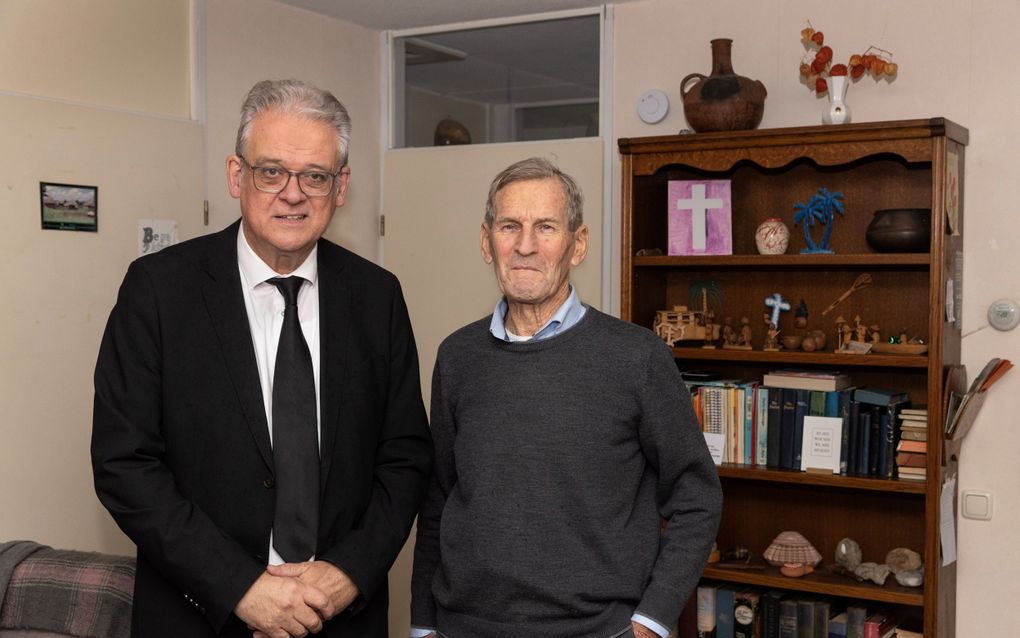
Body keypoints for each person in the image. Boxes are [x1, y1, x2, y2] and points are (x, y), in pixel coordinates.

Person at [91, 79, 433, 638]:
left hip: (341, 616)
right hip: (199, 615)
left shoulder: (377, 297)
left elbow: (405, 457)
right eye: (271, 171)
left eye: (315, 176)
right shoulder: (159, 290)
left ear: (340, 185)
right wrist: (240, 587)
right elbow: (124, 463)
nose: (292, 194)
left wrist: (350, 571)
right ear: (236, 176)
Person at [409, 157, 722, 638]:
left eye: (546, 227)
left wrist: (652, 621)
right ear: (486, 241)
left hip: (598, 630)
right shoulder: (457, 357)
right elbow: (439, 500)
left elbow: (696, 497)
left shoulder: (637, 359)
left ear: (578, 244)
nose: (525, 246)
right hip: (462, 627)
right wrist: (422, 624)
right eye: (509, 226)